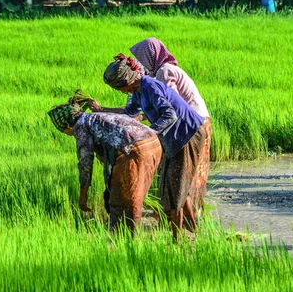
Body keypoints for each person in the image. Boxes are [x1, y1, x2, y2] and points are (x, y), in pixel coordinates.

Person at [101, 54, 207, 238]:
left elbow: (170, 115)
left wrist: (148, 134)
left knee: (175, 188)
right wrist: (102, 115)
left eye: (119, 88)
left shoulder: (150, 86)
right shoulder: (138, 92)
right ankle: (195, 233)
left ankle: (177, 240)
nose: (120, 92)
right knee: (170, 186)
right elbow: (129, 113)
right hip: (172, 138)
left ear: (127, 80)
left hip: (188, 134)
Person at [47, 102, 162, 232]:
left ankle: (127, 239)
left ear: (68, 124)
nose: (67, 134)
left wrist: (83, 195)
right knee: (134, 194)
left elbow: (85, 163)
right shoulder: (94, 117)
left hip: (135, 149)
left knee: (122, 200)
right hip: (153, 142)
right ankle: (128, 234)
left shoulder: (80, 126)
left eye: (64, 131)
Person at [129, 38, 211, 211]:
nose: (140, 63)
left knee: (187, 173)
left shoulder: (164, 71)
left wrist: (145, 126)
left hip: (191, 125)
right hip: (196, 122)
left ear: (150, 55)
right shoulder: (158, 74)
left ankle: (185, 214)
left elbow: (171, 106)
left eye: (141, 57)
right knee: (190, 172)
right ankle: (187, 213)